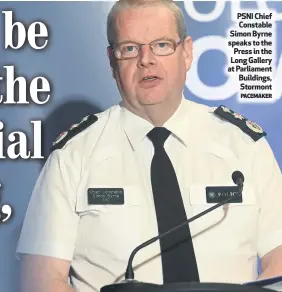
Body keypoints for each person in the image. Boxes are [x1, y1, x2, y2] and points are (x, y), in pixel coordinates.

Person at [16, 1, 282, 291]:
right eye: (130, 48)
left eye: (162, 45)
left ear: (187, 51)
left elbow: (279, 256)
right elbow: (43, 279)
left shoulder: (244, 146)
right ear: (111, 60)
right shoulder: (73, 155)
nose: (146, 59)